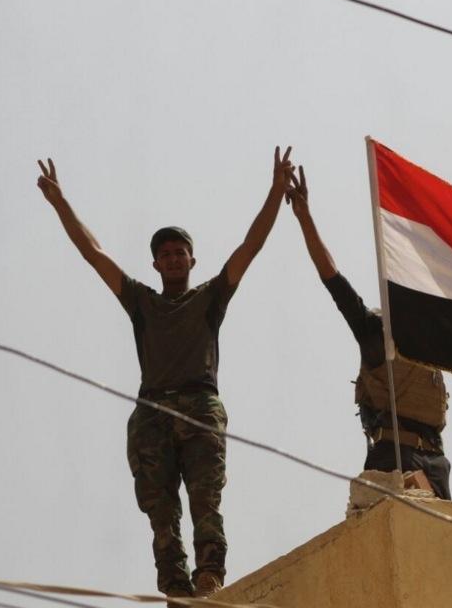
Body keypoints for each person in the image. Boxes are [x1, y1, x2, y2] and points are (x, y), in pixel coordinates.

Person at [34, 148, 294, 601]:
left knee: (205, 499)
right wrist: (61, 203)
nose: (173, 260)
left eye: (180, 253)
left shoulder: (210, 298)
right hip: (152, 411)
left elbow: (249, 247)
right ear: (155, 264)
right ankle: (175, 590)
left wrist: (275, 191)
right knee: (161, 513)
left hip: (198, 406)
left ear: (192, 260)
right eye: (165, 254)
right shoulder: (142, 302)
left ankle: (209, 577)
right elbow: (94, 254)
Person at [286, 165, 452, 499]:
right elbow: (333, 279)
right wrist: (305, 218)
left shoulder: (434, 336)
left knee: (443, 543)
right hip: (395, 455)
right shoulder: (376, 331)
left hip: (435, 460)